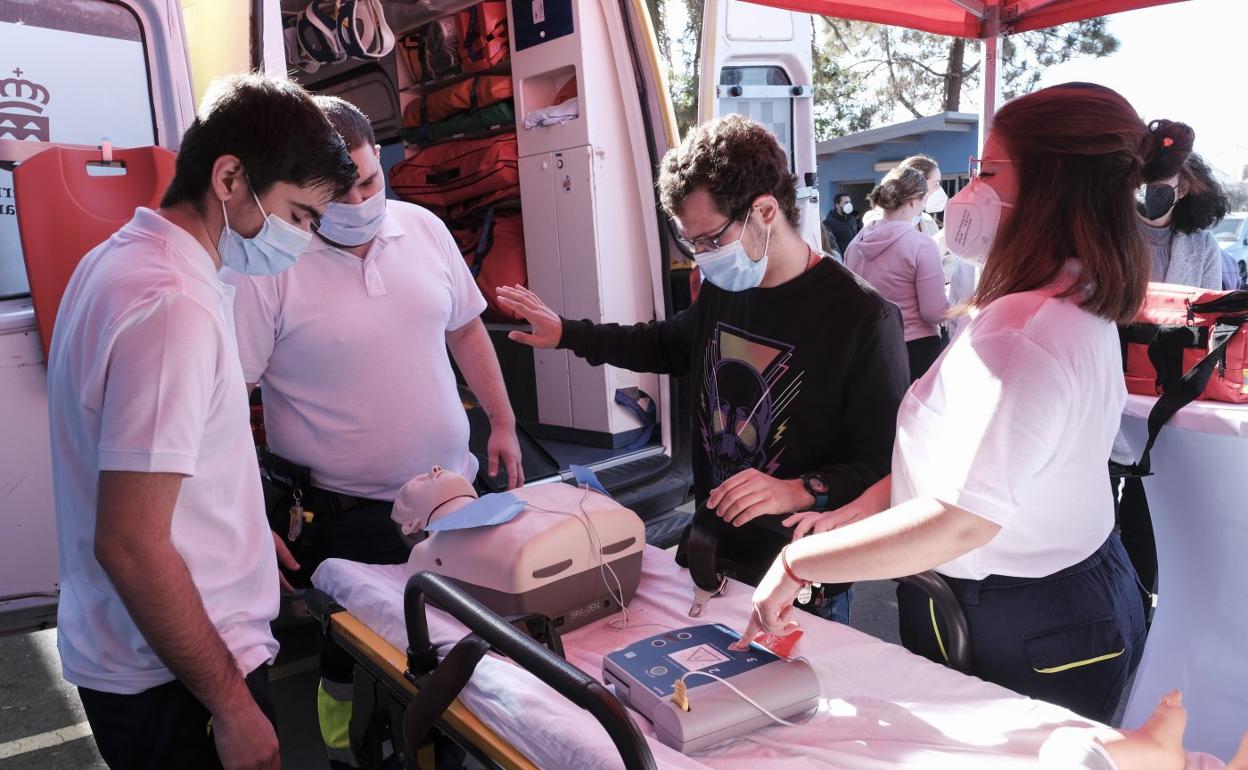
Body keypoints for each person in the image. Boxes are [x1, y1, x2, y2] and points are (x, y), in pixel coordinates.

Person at [736, 83, 1153, 724]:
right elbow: (961, 463)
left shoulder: (1027, 333)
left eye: (988, 171)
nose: (967, 191)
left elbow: (963, 519)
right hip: (1045, 600)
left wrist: (797, 562)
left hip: (1030, 620)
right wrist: (858, 512)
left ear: (1050, 184)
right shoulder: (1053, 299)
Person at [46, 74, 356, 769]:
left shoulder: (119, 260)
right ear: (229, 178)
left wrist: (241, 530)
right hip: (176, 679)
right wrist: (232, 705)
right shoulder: (172, 305)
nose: (303, 240)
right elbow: (130, 542)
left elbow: (155, 469)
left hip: (150, 657)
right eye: (300, 215)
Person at [497, 115, 909, 624]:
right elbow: (669, 345)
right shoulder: (726, 287)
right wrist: (568, 333)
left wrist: (798, 489)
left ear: (764, 210)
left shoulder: (862, 318)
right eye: (693, 244)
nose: (703, 260)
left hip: (802, 580)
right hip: (709, 555)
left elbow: (886, 465)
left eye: (713, 240)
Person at [223, 95, 521, 769]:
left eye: (371, 180)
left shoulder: (422, 229)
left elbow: (466, 328)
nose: (362, 198)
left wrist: (501, 422)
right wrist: (244, 511)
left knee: (450, 651)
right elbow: (227, 402)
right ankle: (345, 752)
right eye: (342, 189)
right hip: (347, 515)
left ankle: (440, 751)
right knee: (351, 657)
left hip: (453, 503)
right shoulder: (267, 268)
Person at [845, 166, 948, 381]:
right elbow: (933, 312)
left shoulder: (854, 246)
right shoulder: (921, 245)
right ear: (913, 201)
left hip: (869, 350)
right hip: (916, 351)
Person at [862, 155, 944, 237]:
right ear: (917, 183)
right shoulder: (876, 225)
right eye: (936, 183)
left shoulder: (928, 222)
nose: (939, 189)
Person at [823, 192, 860, 257]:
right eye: (846, 202)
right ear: (837, 205)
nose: (849, 205)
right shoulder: (829, 222)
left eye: (849, 202)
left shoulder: (852, 219)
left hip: (855, 258)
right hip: (842, 261)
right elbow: (830, 245)